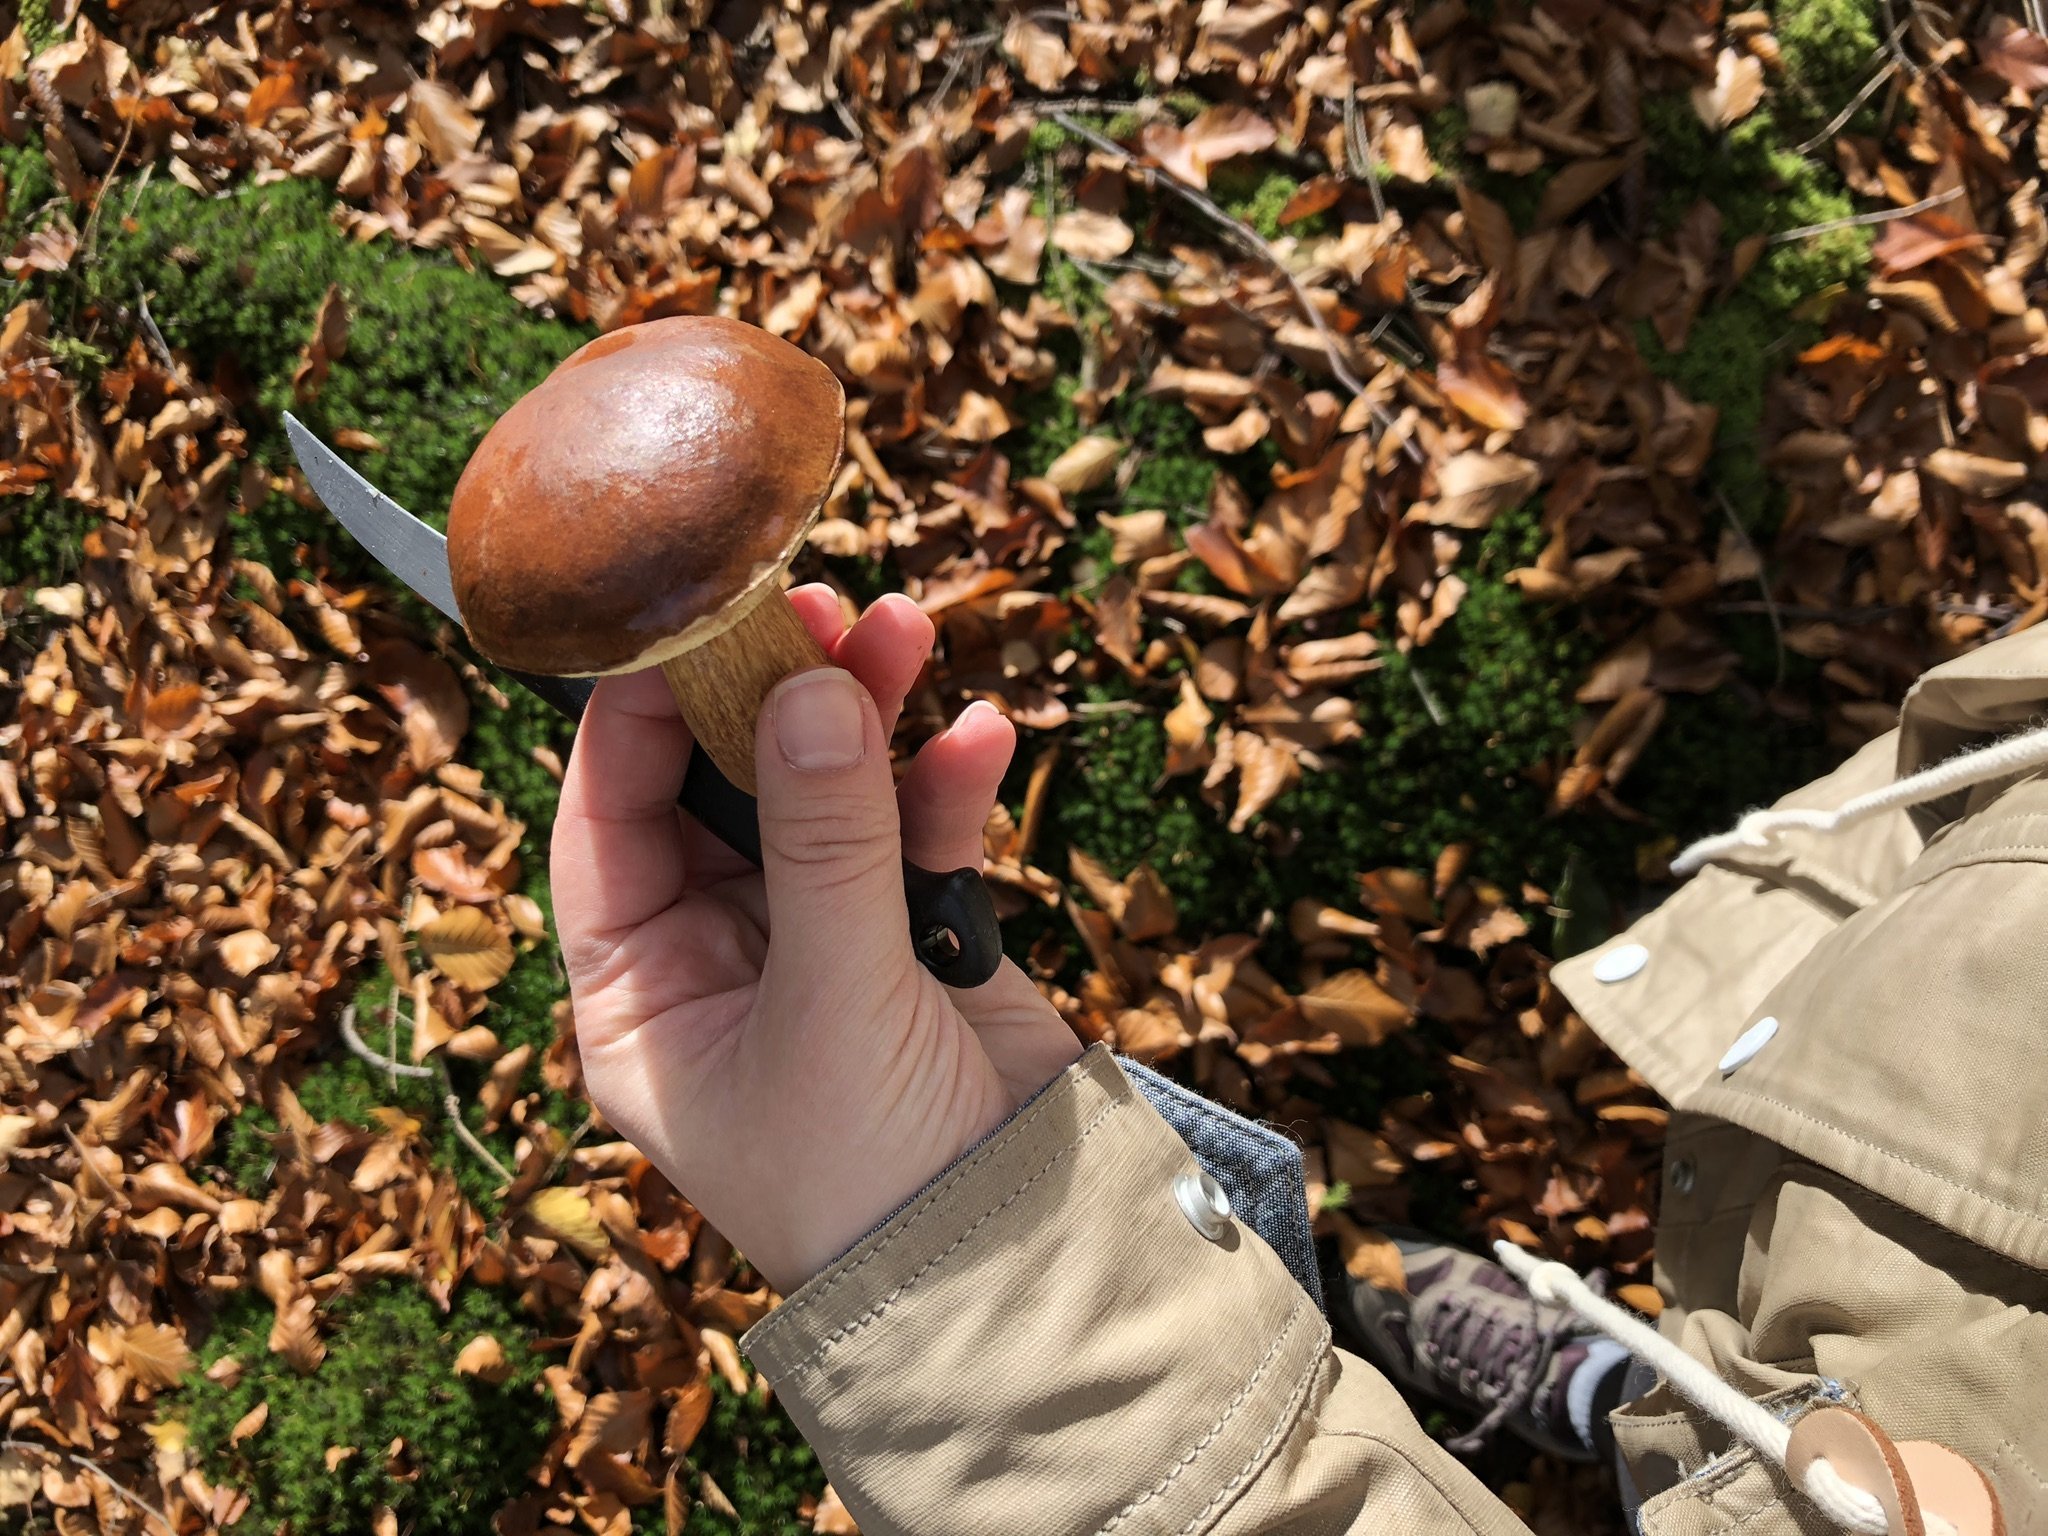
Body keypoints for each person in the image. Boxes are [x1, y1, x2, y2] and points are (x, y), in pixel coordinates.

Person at [552, 584, 2048, 1535]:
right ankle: (1633, 1412)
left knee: (1830, 1462)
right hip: (1917, 1068)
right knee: (1765, 1396)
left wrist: (983, 1282)